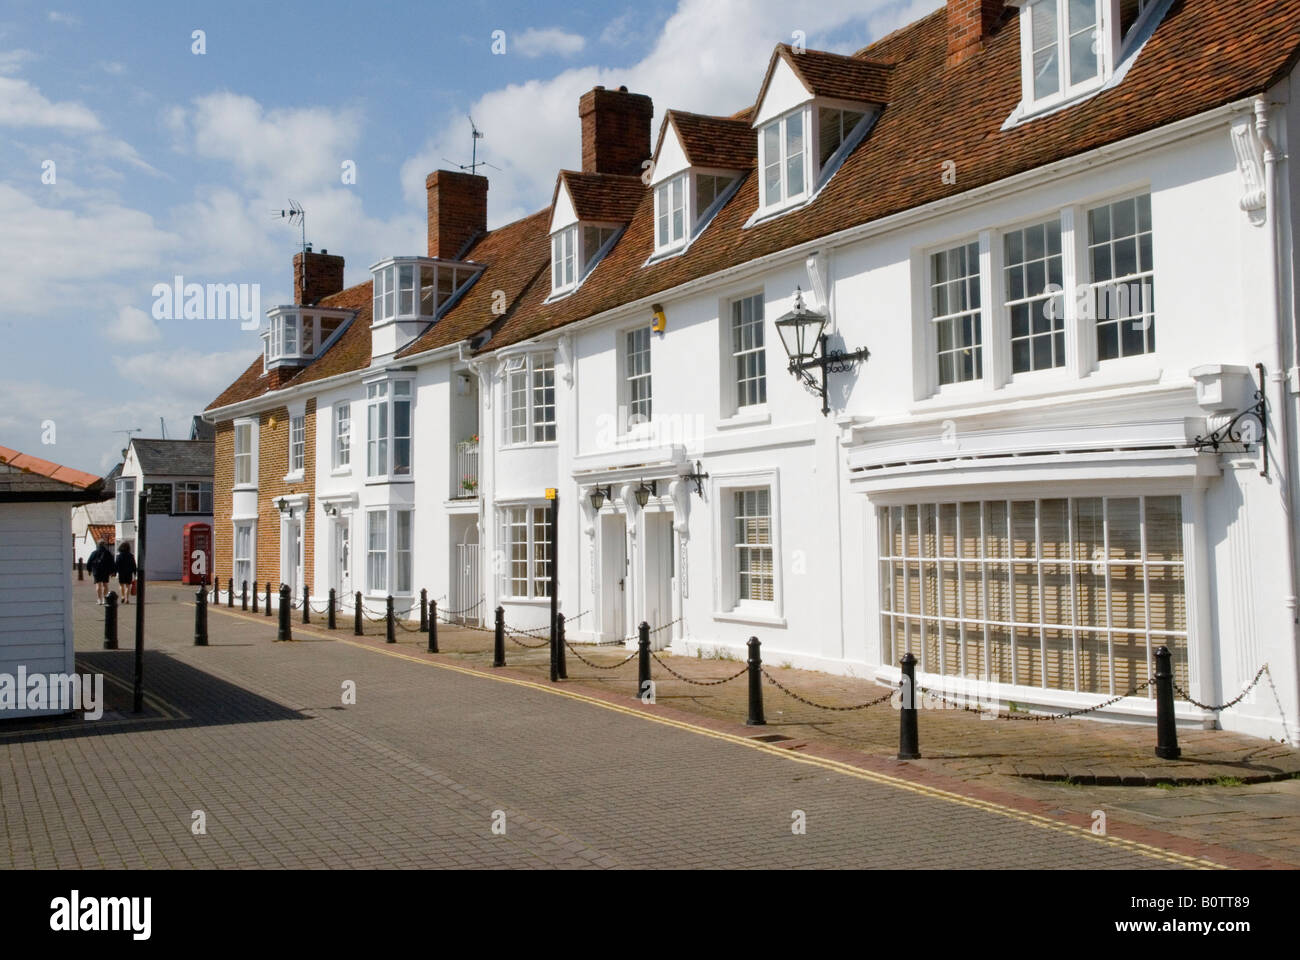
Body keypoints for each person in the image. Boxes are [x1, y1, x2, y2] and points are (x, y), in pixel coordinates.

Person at [86, 540, 116, 605]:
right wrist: (113, 571)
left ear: (98, 545)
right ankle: (105, 599)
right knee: (105, 585)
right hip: (105, 570)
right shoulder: (108, 553)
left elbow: (89, 562)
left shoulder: (94, 553)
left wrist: (89, 570)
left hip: (96, 570)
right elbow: (112, 562)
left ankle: (99, 599)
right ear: (104, 545)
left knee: (98, 584)